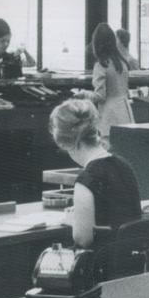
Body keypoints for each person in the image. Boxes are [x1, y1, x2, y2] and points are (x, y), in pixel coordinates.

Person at [49, 97, 142, 249]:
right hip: (130, 260)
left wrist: (73, 219)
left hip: (102, 263)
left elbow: (82, 239)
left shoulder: (87, 180)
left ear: (66, 143)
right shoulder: (124, 165)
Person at [90, 22, 134, 140]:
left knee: (109, 151)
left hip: (109, 116)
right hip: (125, 112)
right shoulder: (122, 64)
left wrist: (84, 95)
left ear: (96, 44)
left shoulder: (101, 65)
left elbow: (100, 96)